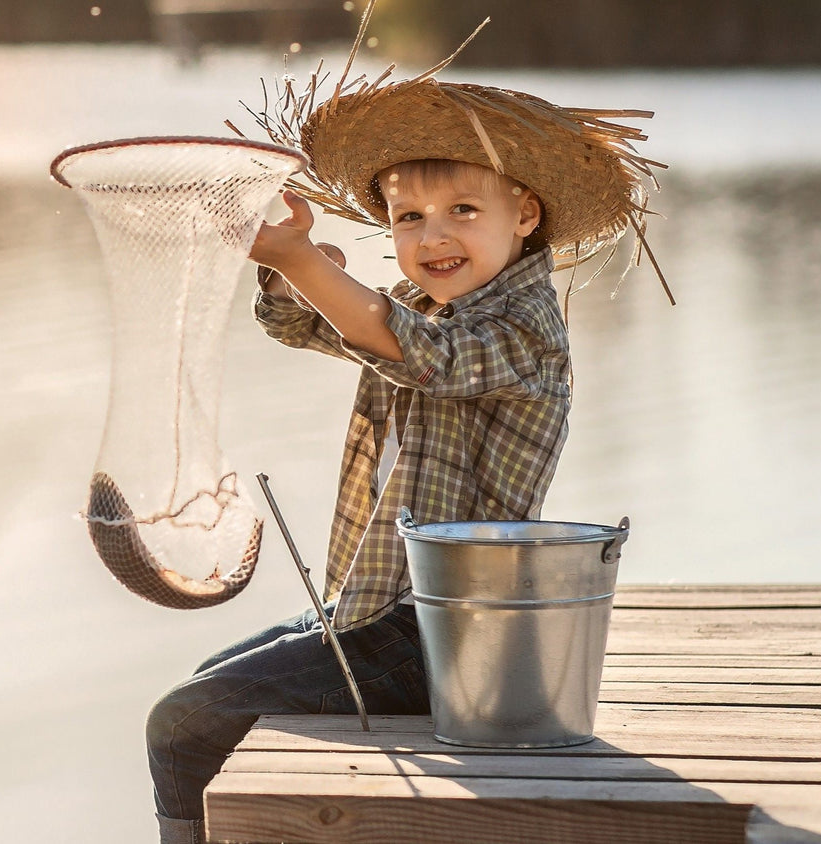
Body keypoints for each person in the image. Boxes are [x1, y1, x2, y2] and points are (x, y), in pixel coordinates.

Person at [144, 27, 664, 844]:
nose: (432, 238)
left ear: (525, 214)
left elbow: (422, 357)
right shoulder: (429, 307)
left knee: (181, 722)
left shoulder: (524, 328)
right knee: (208, 687)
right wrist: (292, 268)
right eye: (408, 217)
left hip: (443, 636)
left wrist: (312, 267)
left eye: (464, 212)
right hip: (378, 606)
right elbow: (309, 327)